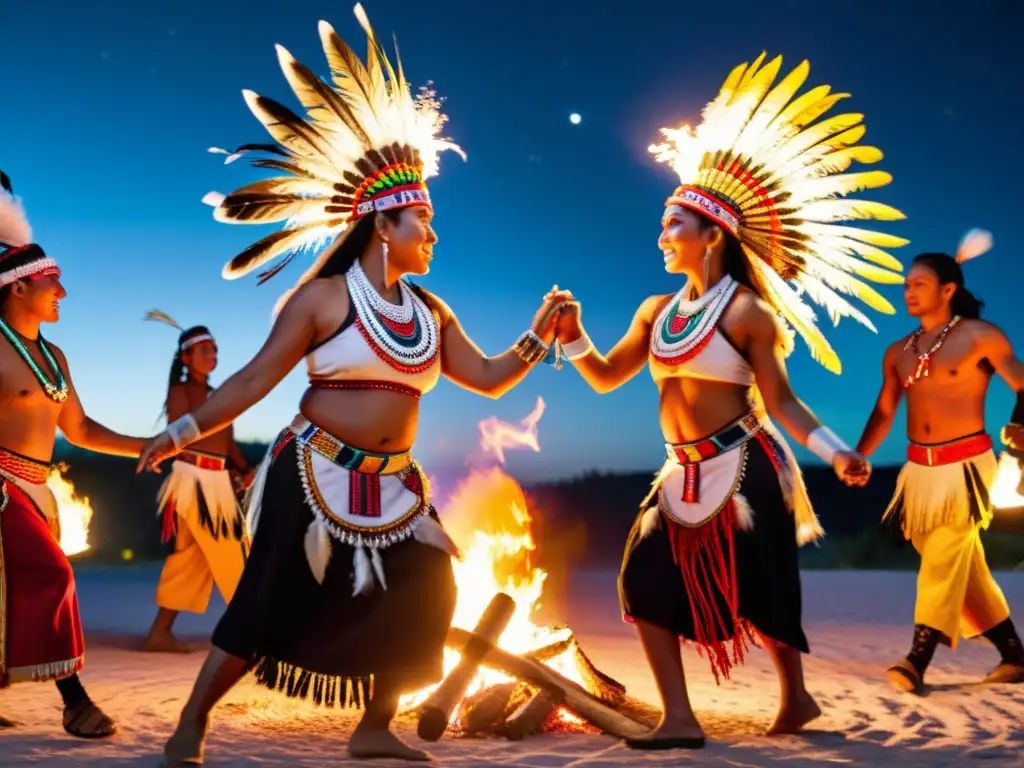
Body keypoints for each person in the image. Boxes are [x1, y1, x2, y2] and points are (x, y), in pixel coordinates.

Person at [136, 6, 570, 765]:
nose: (433, 235)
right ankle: (193, 722)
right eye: (422, 220)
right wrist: (179, 432)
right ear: (382, 224)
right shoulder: (323, 300)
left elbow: (492, 379)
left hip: (397, 485)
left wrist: (539, 334)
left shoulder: (432, 314)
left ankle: (374, 726)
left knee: (429, 584)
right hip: (312, 471)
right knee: (269, 599)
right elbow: (252, 380)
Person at [553, 54, 903, 748]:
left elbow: (785, 403)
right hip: (677, 471)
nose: (661, 236)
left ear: (713, 234)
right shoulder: (656, 310)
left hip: (744, 466)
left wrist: (839, 453)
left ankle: (795, 699)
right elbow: (604, 375)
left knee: (767, 589)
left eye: (673, 225)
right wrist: (574, 336)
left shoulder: (747, 315)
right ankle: (679, 717)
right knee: (643, 581)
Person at [0, 170, 146, 737]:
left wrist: (150, 444)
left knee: (13, 590)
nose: (62, 292)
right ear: (17, 287)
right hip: (2, 487)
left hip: (37, 489)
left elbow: (80, 427)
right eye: (52, 281)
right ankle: (76, 703)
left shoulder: (55, 356)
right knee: (51, 574)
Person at [854, 231, 1024, 692]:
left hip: (967, 467)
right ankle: (1015, 655)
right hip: (918, 475)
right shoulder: (898, 352)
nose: (909, 291)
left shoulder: (980, 336)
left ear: (948, 290)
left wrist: (1021, 428)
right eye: (907, 284)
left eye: (920, 283)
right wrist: (859, 454)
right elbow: (885, 410)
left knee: (943, 560)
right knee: (958, 566)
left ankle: (917, 660)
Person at [141, 312, 252, 653]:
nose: (212, 356)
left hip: (216, 479)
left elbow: (227, 442)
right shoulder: (181, 391)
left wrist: (241, 468)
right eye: (204, 350)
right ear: (186, 357)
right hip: (194, 480)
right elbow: (179, 429)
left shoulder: (219, 395)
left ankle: (160, 633)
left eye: (215, 350)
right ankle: (252, 635)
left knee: (191, 559)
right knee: (236, 556)